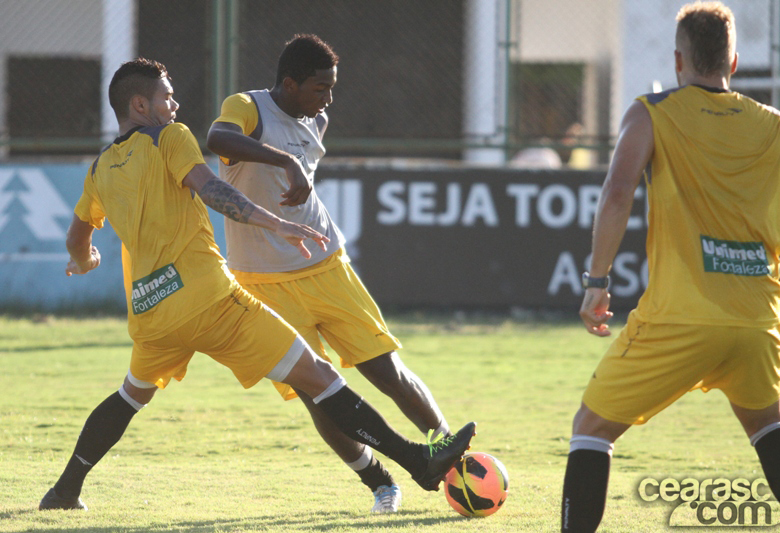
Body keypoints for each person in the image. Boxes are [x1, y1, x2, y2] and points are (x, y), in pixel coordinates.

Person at [38, 58, 475, 512]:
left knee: (130, 396)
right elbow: (211, 190)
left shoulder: (100, 167)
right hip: (212, 302)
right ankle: (415, 461)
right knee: (321, 378)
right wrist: (276, 224)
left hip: (151, 317)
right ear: (140, 103)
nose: (176, 103)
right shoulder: (169, 136)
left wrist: (83, 259)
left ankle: (64, 490)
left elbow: (78, 234)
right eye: (167, 96)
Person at [561, 2, 780, 531]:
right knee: (767, 425)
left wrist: (597, 282)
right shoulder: (774, 125)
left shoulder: (652, 112)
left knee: (591, 428)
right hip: (757, 321)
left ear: (677, 60)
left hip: (681, 317)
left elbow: (618, 191)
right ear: (733, 63)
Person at [206, 34, 452, 513]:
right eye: (320, 88)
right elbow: (216, 140)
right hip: (262, 280)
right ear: (290, 83)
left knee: (385, 367)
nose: (328, 99)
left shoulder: (316, 118)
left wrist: (296, 162)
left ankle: (445, 448)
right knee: (320, 394)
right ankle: (381, 484)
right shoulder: (247, 107)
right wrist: (285, 160)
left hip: (326, 264)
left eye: (332, 88)